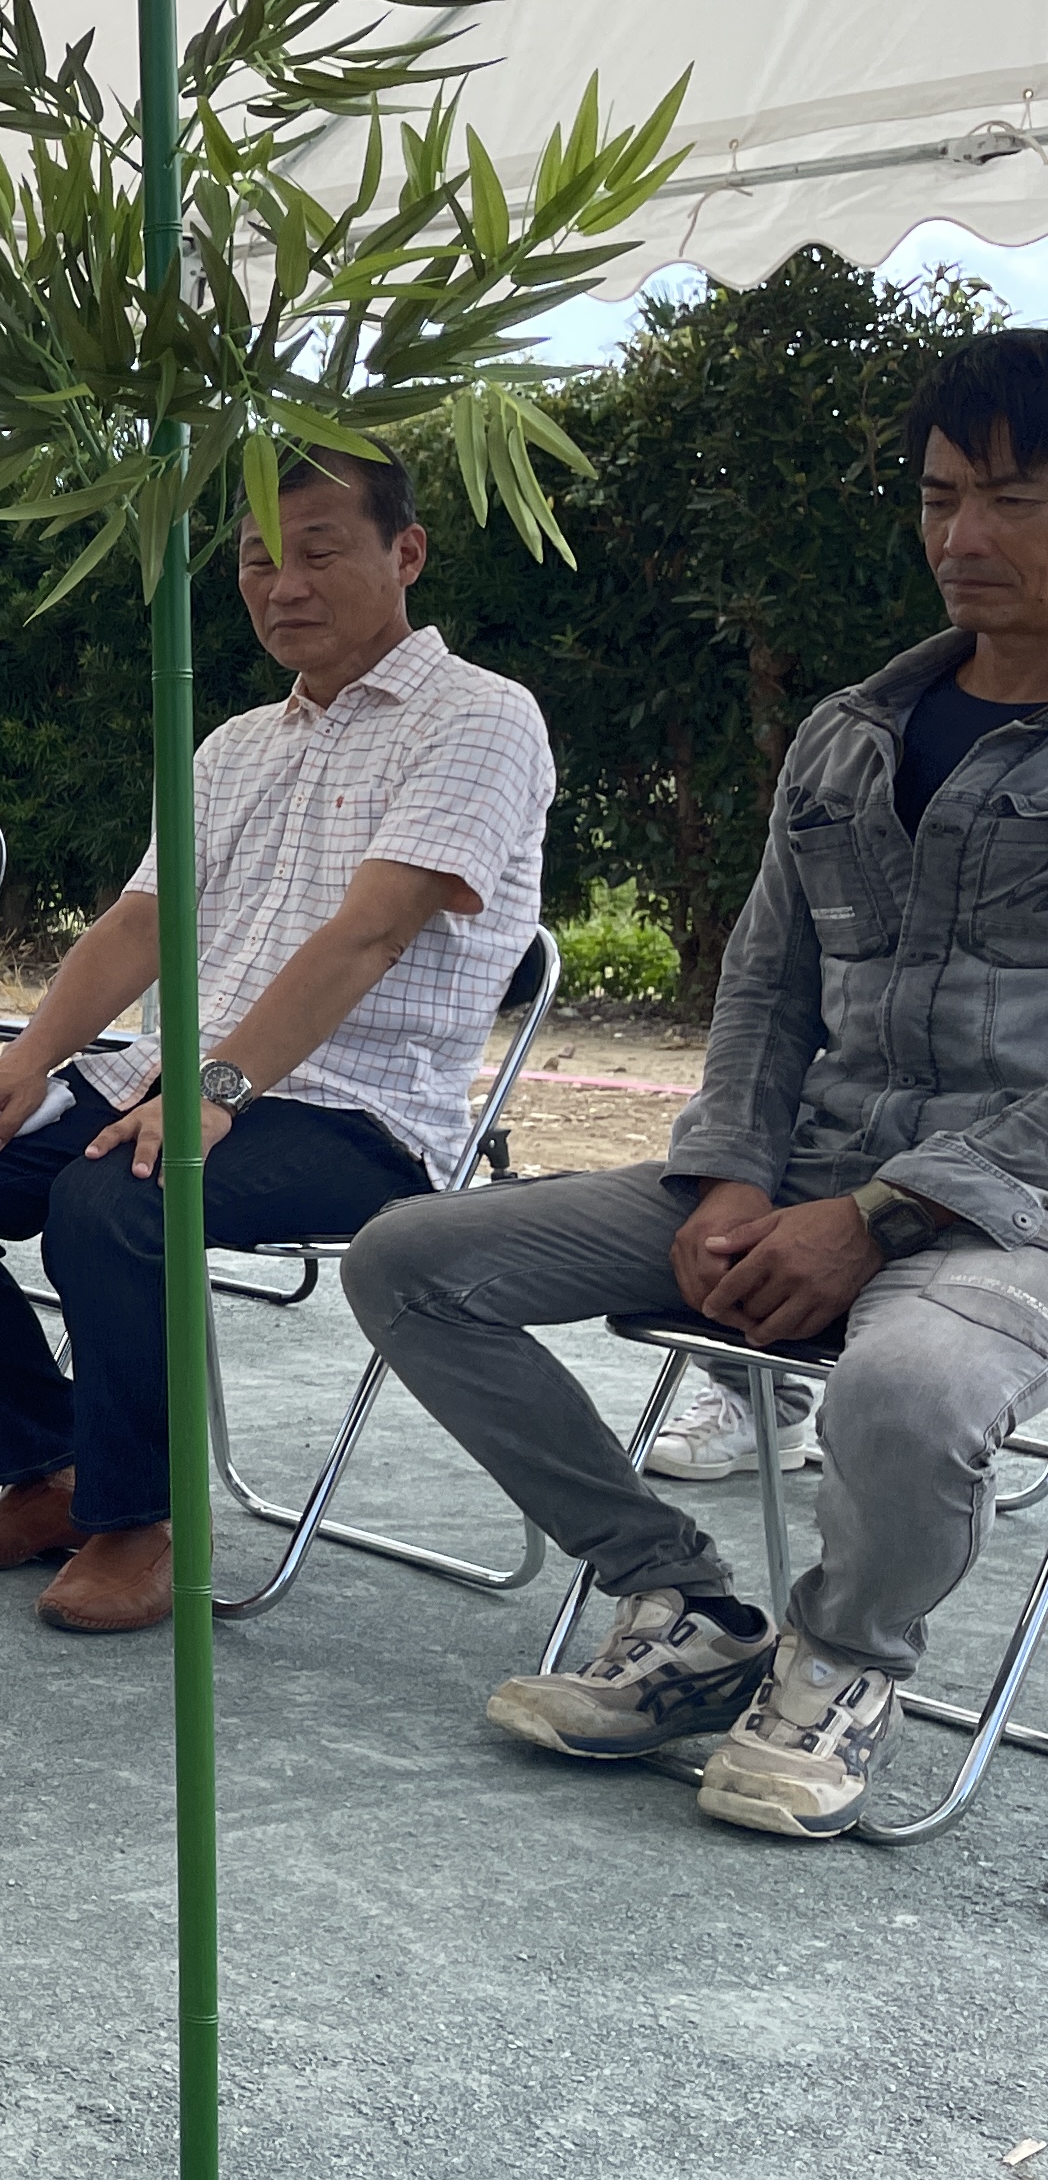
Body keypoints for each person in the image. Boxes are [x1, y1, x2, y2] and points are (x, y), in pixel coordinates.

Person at [343, 332, 1048, 1839]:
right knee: (413, 1259)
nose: (964, 539)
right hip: (799, 1169)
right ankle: (683, 1603)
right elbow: (767, 984)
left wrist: (874, 1213)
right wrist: (732, 1172)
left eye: (1017, 499)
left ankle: (846, 1666)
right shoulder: (851, 733)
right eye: (939, 498)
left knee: (911, 1389)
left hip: (1011, 1223)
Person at [0, 444, 551, 1633]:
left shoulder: (479, 717)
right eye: (255, 560)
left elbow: (369, 936)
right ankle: (49, 1475)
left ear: (408, 554)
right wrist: (23, 1066)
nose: (281, 584)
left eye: (319, 551)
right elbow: (138, 924)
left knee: (119, 1195)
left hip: (356, 1113)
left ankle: (138, 1522)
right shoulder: (233, 743)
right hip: (172, 1082)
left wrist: (216, 1085)